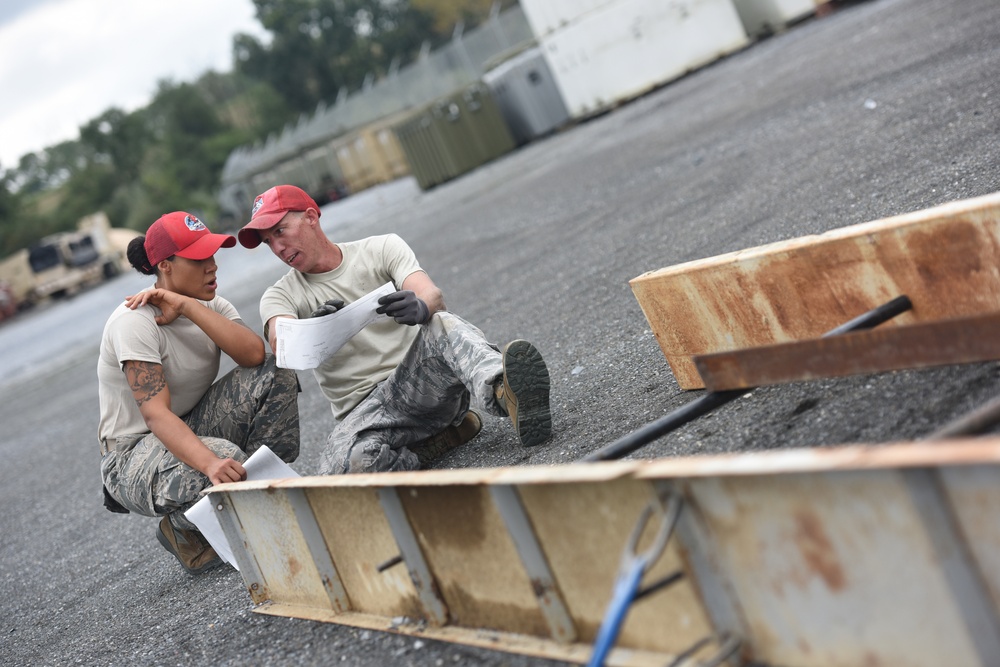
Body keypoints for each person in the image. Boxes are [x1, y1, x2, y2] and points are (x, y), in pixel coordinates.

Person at [237, 184, 552, 475]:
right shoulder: (280, 295)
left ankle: (506, 392)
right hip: (367, 417)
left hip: (420, 385)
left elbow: (431, 295)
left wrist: (420, 307)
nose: (277, 247)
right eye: (268, 242)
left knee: (441, 321)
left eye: (280, 231)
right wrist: (310, 329)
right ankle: (433, 446)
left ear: (310, 217)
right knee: (343, 471)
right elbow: (281, 341)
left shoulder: (380, 248)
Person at [97, 211, 301, 575]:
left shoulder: (209, 303)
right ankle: (183, 527)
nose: (212, 267)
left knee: (275, 373)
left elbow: (254, 356)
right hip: (131, 456)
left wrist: (189, 307)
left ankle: (250, 497)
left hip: (191, 422)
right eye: (198, 259)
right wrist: (210, 463)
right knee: (222, 457)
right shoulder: (134, 321)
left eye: (213, 255)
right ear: (166, 266)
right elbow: (156, 414)